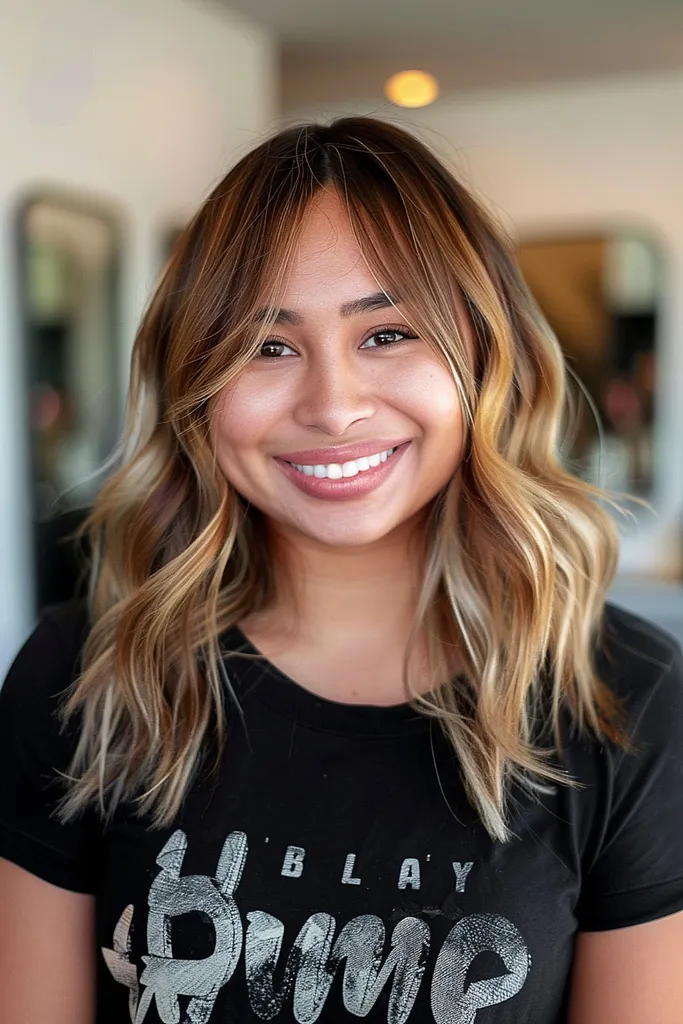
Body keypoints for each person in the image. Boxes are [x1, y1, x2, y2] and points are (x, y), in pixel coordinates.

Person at [0, 118, 682, 1024]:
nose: (332, 406)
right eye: (268, 347)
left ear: (485, 356)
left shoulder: (626, 701)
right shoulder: (83, 674)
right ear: (197, 387)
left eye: (387, 333)